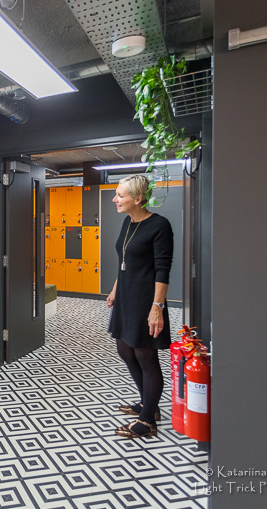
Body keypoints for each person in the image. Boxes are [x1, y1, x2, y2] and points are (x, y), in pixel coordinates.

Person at [106, 174, 173, 439]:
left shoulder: (159, 225)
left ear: (138, 199)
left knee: (146, 356)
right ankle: (148, 405)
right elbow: (125, 261)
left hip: (146, 300)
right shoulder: (128, 222)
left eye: (120, 195)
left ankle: (147, 422)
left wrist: (157, 307)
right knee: (125, 350)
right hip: (126, 297)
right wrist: (115, 290)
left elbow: (162, 269)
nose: (115, 199)